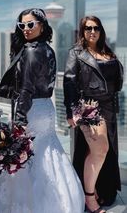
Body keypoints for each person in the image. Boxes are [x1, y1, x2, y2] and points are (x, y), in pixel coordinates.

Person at [0, 8, 85, 213]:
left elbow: (26, 89)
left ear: (42, 25)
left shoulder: (31, 50)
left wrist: (19, 120)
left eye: (30, 24)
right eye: (22, 25)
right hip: (46, 108)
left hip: (30, 109)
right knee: (48, 153)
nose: (25, 29)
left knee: (26, 159)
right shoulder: (47, 49)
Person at [63, 15, 124, 213]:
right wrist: (72, 111)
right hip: (89, 106)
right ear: (82, 31)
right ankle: (89, 198)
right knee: (100, 150)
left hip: (109, 108)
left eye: (96, 28)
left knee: (99, 152)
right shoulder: (76, 53)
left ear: (101, 30)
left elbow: (116, 83)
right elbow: (69, 81)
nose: (92, 31)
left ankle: (99, 189)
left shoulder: (108, 52)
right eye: (88, 28)